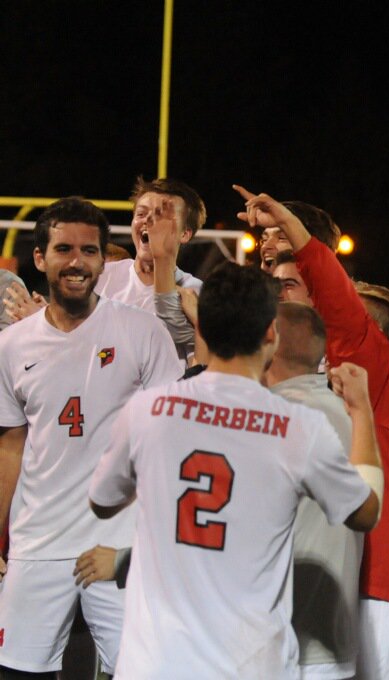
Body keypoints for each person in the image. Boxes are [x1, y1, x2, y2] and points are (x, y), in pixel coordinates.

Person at [87, 263, 382, 677]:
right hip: (248, 664)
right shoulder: (298, 426)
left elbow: (101, 503)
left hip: (155, 662)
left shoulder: (147, 410)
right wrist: (362, 412)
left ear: (202, 330)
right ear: (269, 334)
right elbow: (365, 513)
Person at [235, 187, 389, 680]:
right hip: (315, 580)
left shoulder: (364, 360)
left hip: (377, 583)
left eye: (289, 281)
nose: (276, 292)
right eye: (270, 279)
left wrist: (289, 227)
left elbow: (329, 289)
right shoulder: (280, 367)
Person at [0, 197, 181, 675]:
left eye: (89, 250)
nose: (77, 262)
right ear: (40, 258)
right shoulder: (10, 345)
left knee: (144, 671)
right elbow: (11, 447)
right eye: (63, 249)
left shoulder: (144, 332)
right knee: (16, 672)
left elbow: (168, 443)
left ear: (104, 258)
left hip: (119, 544)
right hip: (38, 542)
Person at [265, 301, 365, 680]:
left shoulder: (265, 417)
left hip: (273, 642)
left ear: (268, 341)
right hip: (333, 637)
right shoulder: (349, 412)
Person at [93, 177, 206, 360]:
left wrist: (162, 258)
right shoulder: (101, 277)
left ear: (184, 233)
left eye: (162, 216)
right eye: (141, 214)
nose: (149, 221)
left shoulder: (196, 292)